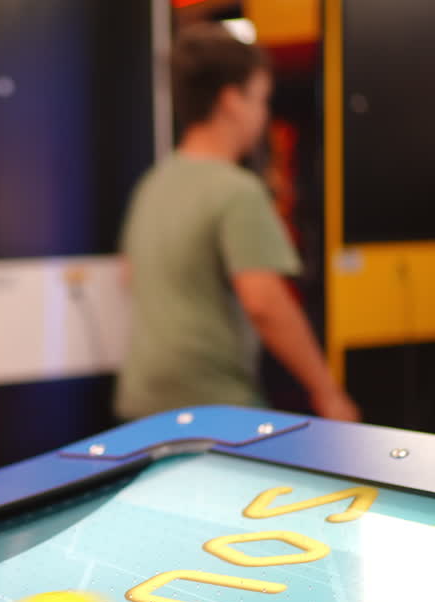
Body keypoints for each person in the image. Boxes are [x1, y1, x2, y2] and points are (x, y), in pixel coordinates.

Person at [115, 24, 358, 423]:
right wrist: (328, 393)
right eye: (261, 99)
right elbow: (265, 303)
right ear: (231, 101)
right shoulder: (237, 191)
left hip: (142, 403)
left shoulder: (154, 182)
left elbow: (128, 276)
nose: (263, 115)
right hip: (211, 406)